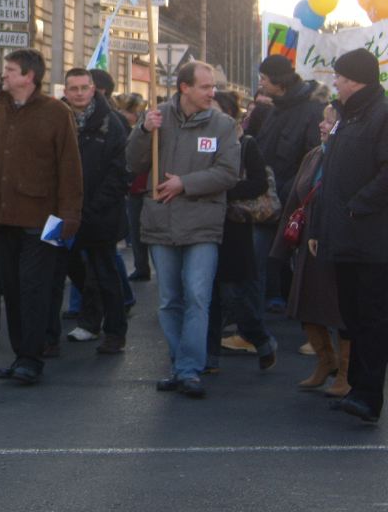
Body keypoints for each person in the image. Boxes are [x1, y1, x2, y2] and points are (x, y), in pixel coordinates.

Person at [127, 61, 239, 399]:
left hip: (202, 223)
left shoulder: (223, 125)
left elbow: (229, 173)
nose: (212, 92)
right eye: (205, 86)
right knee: (169, 299)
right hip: (161, 221)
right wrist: (143, 132)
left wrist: (184, 184)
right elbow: (133, 164)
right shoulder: (157, 118)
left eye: (212, 86)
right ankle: (179, 364)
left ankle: (190, 369)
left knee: (197, 296)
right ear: (184, 88)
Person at [0, 49, 83, 385]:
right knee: (12, 289)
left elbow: (70, 168)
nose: (3, 75)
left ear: (29, 76)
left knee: (36, 289)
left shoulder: (56, 112)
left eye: (9, 70)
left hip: (46, 220)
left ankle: (31, 357)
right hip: (3, 218)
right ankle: (20, 352)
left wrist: (69, 217)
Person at [313, 48, 388, 424]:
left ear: (355, 79)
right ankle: (357, 387)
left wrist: (357, 206)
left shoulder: (381, 114)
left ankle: (369, 395)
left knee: (372, 318)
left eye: (339, 78)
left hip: (372, 239)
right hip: (344, 236)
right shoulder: (348, 117)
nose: (335, 84)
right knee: (353, 317)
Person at [270, 102, 349, 395]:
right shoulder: (313, 156)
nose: (321, 125)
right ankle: (325, 361)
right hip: (307, 245)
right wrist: (280, 248)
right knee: (304, 307)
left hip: (336, 242)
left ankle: (345, 371)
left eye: (328, 121)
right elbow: (294, 201)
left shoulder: (349, 157)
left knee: (340, 312)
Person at [204, 91, 278, 373]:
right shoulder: (198, 141)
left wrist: (218, 187)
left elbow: (259, 184)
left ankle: (260, 339)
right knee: (207, 297)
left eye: (216, 109)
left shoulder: (246, 144)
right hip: (204, 224)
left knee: (238, 295)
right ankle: (209, 358)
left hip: (235, 227)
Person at [59, 68, 130, 354]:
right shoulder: (57, 119)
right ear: (65, 91)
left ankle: (115, 332)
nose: (78, 93)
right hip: (60, 212)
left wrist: (91, 207)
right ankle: (87, 321)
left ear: (93, 89)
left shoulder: (112, 123)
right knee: (61, 265)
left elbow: (118, 172)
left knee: (106, 272)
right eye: (73, 88)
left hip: (100, 213)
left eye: (83, 88)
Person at [254, 54, 327, 312]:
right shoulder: (274, 109)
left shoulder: (311, 111)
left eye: (263, 78)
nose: (260, 83)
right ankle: (268, 304)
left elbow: (312, 159)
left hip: (290, 201)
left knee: (281, 257)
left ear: (279, 82)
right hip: (266, 199)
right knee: (262, 257)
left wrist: (288, 191)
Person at [115, 93, 151, 281]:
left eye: (126, 110)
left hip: (146, 185)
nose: (121, 113)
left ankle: (147, 266)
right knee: (135, 230)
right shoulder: (121, 126)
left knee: (151, 231)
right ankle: (141, 266)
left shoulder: (145, 128)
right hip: (132, 188)